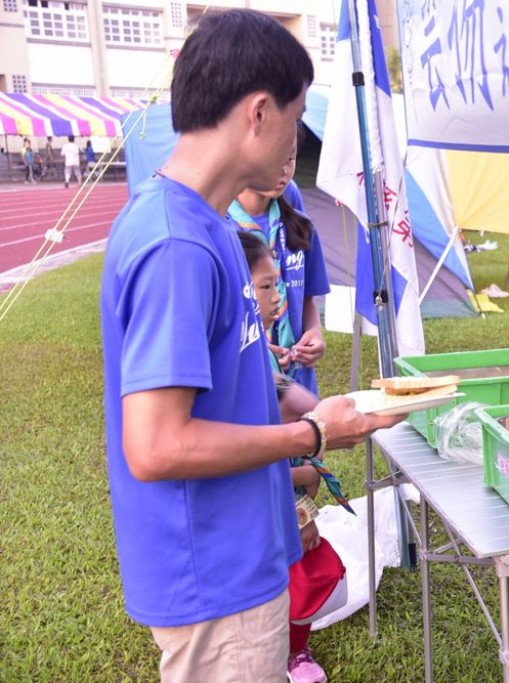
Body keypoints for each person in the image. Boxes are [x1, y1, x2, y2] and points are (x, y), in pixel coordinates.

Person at [99, 10, 404, 682]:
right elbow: (156, 445)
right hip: (212, 573)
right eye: (296, 118)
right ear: (260, 113)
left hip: (239, 553)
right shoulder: (175, 242)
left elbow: (236, 375)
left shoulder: (207, 228)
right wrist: (312, 436)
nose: (297, 136)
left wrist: (308, 401)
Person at [238, 230, 344, 683]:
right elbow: (258, 446)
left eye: (279, 284)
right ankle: (281, 654)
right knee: (288, 572)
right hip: (268, 501)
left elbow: (291, 402)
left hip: (282, 489)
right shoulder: (243, 361)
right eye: (265, 286)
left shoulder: (255, 353)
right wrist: (300, 506)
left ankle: (294, 653)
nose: (278, 297)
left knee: (297, 574)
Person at [229, 130, 329, 396]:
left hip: (300, 381)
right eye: (274, 158)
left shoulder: (300, 225)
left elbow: (306, 299)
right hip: (249, 383)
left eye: (291, 158)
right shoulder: (221, 230)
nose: (283, 170)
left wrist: (315, 332)